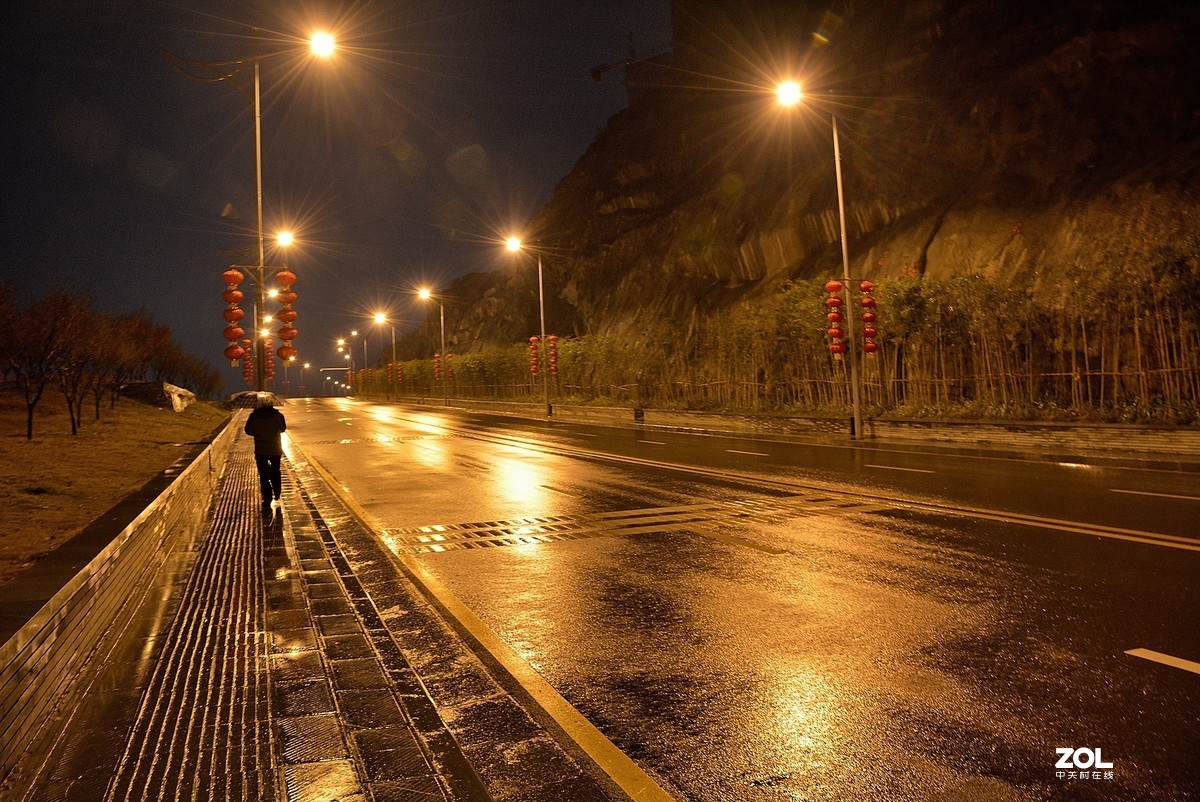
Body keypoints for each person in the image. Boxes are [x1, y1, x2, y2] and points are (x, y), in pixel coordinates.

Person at [244, 394, 287, 515]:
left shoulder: (254, 416)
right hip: (275, 448)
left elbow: (248, 431)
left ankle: (267, 496)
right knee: (275, 471)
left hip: (261, 449)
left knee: (263, 474)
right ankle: (277, 493)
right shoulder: (277, 416)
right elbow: (283, 428)